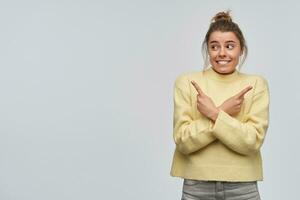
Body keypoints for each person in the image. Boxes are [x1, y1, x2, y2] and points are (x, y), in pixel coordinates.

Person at [170, 11, 270, 200]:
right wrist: (223, 110)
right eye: (214, 46)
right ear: (207, 49)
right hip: (196, 186)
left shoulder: (256, 84)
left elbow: (252, 141)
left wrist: (215, 113)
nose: (222, 53)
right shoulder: (187, 82)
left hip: (243, 187)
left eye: (230, 46)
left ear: (241, 49)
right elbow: (183, 141)